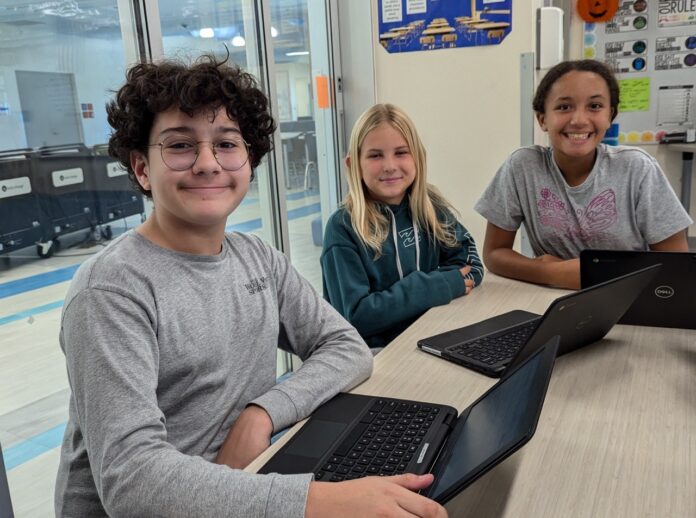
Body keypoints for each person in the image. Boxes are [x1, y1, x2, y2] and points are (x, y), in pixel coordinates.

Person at [55, 55, 448, 518]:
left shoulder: (256, 258)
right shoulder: (111, 292)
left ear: (249, 160)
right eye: (180, 146)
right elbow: (133, 481)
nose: (207, 163)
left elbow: (346, 347)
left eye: (226, 143)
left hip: (246, 482)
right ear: (142, 168)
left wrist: (261, 413)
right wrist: (319, 501)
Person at [475, 59, 693, 290]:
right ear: (542, 119)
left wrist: (594, 277)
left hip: (630, 298)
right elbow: (494, 253)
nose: (579, 120)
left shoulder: (638, 168)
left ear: (610, 115)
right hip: (553, 299)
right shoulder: (522, 167)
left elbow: (676, 265)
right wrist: (549, 272)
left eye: (595, 106)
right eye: (563, 107)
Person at [321, 104, 483, 350]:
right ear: (353, 164)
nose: (389, 166)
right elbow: (357, 317)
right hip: (374, 355)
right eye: (375, 155)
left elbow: (471, 268)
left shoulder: (431, 207)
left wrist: (441, 286)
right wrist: (434, 287)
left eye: (401, 153)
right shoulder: (343, 227)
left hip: (432, 337)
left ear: (418, 157)